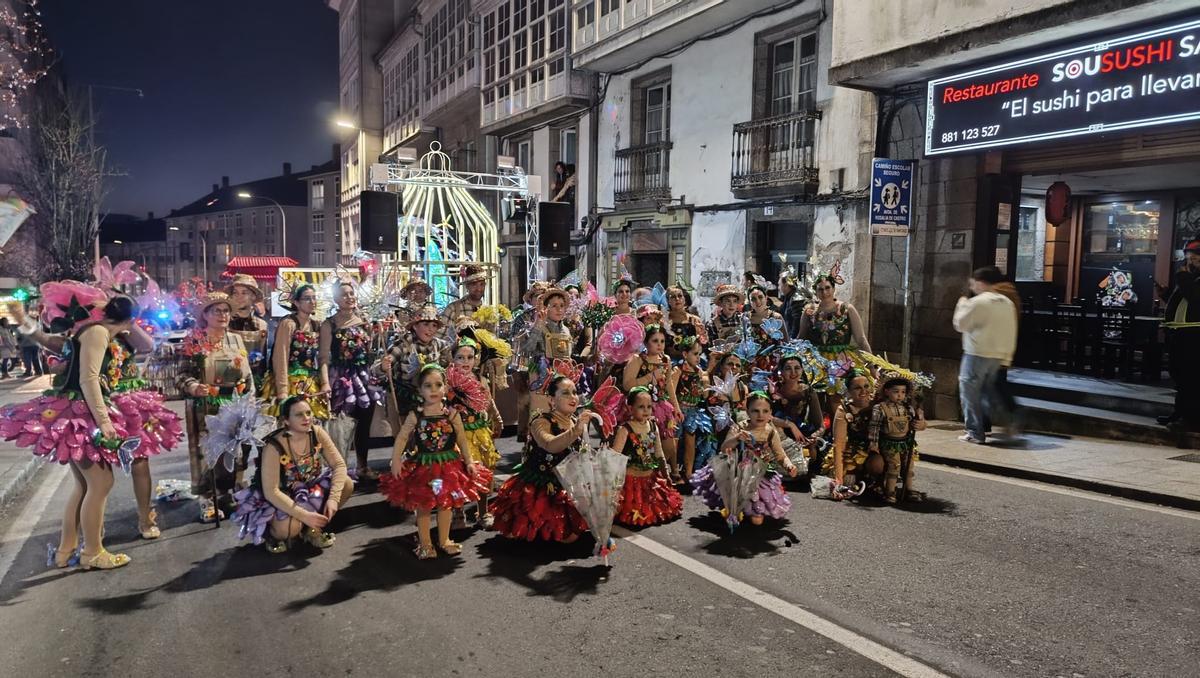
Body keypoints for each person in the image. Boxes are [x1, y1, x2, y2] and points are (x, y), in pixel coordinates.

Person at [1, 294, 155, 569]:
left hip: (76, 410)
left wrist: (23, 320)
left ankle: (66, 549)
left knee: (84, 485)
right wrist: (105, 421)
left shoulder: (91, 332)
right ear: (129, 319)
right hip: (81, 413)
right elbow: (89, 378)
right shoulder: (96, 333)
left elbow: (51, 343)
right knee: (100, 484)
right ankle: (92, 552)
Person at [379, 364, 492, 559]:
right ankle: (425, 543)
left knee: (444, 504)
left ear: (446, 388)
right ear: (420, 390)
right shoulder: (416, 415)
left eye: (438, 384)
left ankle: (444, 540)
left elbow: (462, 439)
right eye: (427, 385)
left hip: (447, 470)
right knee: (424, 505)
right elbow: (402, 437)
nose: (433, 390)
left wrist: (469, 461)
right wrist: (396, 459)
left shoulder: (453, 414)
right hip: (424, 468)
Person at [233, 395, 354, 552]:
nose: (306, 418)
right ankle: (273, 534)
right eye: (299, 415)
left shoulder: (317, 433)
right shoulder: (273, 446)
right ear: (286, 421)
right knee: (288, 530)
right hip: (281, 496)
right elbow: (272, 492)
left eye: (308, 413)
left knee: (346, 483)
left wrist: (333, 499)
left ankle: (310, 529)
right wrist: (303, 515)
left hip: (309, 489)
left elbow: (339, 465)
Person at [490, 375, 598, 543]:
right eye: (565, 393)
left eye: (575, 392)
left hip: (569, 484)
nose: (573, 397)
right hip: (539, 486)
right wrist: (576, 431)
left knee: (573, 535)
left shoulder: (576, 421)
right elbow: (550, 445)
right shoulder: (540, 421)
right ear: (551, 400)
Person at [178, 292, 255, 522]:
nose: (222, 315)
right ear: (205, 315)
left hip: (232, 405)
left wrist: (249, 400)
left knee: (232, 452)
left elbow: (247, 375)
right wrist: (194, 387)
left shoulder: (236, 340)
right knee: (206, 454)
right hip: (205, 407)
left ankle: (226, 493)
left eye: (226, 311)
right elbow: (181, 375)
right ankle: (207, 499)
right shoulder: (194, 341)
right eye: (216, 311)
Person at [692, 391, 799, 526]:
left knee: (757, 519)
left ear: (770, 413)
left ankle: (751, 508)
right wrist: (736, 438)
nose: (760, 415)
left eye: (765, 411)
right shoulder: (739, 427)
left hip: (760, 474)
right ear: (747, 411)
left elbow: (780, 455)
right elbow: (724, 448)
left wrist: (789, 466)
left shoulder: (771, 431)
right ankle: (734, 508)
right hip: (737, 470)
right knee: (734, 506)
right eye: (755, 411)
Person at [319, 280, 384, 478]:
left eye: (351, 293)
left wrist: (378, 333)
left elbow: (370, 350)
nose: (349, 297)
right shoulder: (329, 324)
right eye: (344, 294)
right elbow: (323, 356)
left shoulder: (365, 321)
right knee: (341, 426)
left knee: (364, 424)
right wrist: (324, 382)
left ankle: (363, 466)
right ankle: (339, 469)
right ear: (336, 299)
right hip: (341, 378)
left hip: (364, 377)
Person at [952, 266, 1017, 444]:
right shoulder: (1006, 302)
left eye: (973, 284)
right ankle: (1009, 421)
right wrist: (1007, 356)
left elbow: (960, 324)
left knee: (969, 393)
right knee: (987, 392)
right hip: (998, 355)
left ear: (980, 283)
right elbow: (1011, 330)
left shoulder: (978, 302)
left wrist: (961, 304)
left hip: (977, 353)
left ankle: (974, 432)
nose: (973, 288)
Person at [447, 337, 503, 528]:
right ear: (452, 358)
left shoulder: (480, 379)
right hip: (457, 434)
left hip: (479, 432)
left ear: (476, 360)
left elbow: (489, 402)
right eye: (460, 357)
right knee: (458, 473)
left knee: (485, 470)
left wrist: (497, 417)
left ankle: (483, 511)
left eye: (469, 357)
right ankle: (458, 512)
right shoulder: (448, 382)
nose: (465, 362)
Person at [610, 388, 683, 527]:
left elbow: (658, 452)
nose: (646, 411)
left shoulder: (653, 426)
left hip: (650, 478)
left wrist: (666, 474)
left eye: (649, 407)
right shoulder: (625, 429)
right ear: (630, 408)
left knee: (663, 506)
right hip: (630, 481)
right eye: (641, 407)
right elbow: (615, 457)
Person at [622, 324, 682, 482]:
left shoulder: (666, 359)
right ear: (646, 342)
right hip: (643, 408)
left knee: (668, 447)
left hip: (663, 407)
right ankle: (648, 478)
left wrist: (676, 407)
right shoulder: (638, 359)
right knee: (647, 448)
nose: (659, 344)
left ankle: (659, 475)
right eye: (655, 340)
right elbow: (627, 384)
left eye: (662, 341)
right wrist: (650, 376)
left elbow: (668, 384)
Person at [262, 284, 328, 420]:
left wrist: (323, 382)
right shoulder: (288, 323)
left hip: (309, 383)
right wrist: (282, 390)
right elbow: (280, 356)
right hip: (289, 381)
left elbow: (321, 357)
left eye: (314, 298)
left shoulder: (316, 325)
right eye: (307, 299)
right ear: (296, 302)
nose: (312, 302)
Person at [798, 267, 873, 382]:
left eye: (827, 288)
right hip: (815, 362)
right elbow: (801, 338)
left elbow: (861, 339)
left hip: (841, 361)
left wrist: (872, 366)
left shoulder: (847, 309)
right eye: (820, 289)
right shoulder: (809, 311)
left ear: (833, 289)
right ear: (816, 292)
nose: (824, 292)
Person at [1159, 240, 1200, 430]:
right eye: (1189, 258)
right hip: (1181, 333)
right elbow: (1186, 302)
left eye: (1196, 257)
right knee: (1180, 377)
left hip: (1194, 335)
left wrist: (1182, 278)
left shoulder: (1188, 278)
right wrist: (1167, 295)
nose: (1191, 261)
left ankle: (1191, 419)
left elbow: (1195, 297)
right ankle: (1179, 413)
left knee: (1191, 378)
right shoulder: (1190, 277)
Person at [869, 376, 927, 503]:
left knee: (909, 466)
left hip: (906, 442)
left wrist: (920, 422)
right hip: (889, 443)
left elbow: (915, 424)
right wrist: (873, 443)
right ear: (886, 391)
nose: (900, 395)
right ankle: (890, 491)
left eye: (903, 392)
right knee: (893, 466)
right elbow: (874, 427)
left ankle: (909, 489)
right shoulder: (880, 408)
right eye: (896, 391)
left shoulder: (908, 408)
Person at [523, 287, 575, 418]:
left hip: (563, 378)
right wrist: (538, 325)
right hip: (543, 379)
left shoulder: (566, 331)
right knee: (542, 415)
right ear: (546, 308)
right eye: (554, 306)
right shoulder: (540, 327)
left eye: (562, 305)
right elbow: (528, 349)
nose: (559, 309)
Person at [824, 370, 876, 490]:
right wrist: (838, 480)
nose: (863, 391)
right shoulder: (844, 409)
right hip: (851, 452)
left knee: (877, 465)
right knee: (847, 482)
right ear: (849, 392)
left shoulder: (878, 404)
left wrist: (920, 423)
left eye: (866, 386)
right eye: (857, 388)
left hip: (874, 450)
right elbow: (839, 444)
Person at [672, 337, 710, 480]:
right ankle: (674, 471)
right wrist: (676, 409)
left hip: (693, 410)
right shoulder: (678, 370)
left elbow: (702, 394)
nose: (698, 357)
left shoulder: (699, 371)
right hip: (679, 409)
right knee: (675, 440)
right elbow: (672, 391)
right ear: (685, 354)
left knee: (690, 440)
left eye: (700, 354)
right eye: (695, 354)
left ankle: (688, 472)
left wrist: (705, 384)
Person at [223, 274, 270, 383]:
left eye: (244, 293)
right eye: (235, 293)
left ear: (253, 297)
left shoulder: (262, 325)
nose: (239, 297)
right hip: (227, 381)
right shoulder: (224, 323)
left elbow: (263, 360)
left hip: (254, 381)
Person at [442, 265, 490, 339]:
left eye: (481, 284)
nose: (479, 289)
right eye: (474, 284)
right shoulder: (452, 309)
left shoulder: (489, 311)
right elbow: (441, 339)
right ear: (467, 286)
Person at [664, 283, 707, 362]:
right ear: (668, 301)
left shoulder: (694, 320)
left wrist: (700, 334)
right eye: (673, 297)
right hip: (669, 361)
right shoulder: (664, 320)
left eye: (680, 296)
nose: (677, 299)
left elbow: (703, 344)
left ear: (684, 299)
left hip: (690, 360)